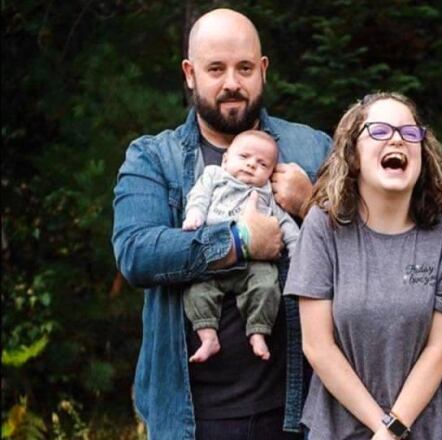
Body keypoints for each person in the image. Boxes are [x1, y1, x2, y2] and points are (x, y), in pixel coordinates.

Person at [112, 8, 331, 439]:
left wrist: (310, 207)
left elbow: (367, 247)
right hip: (190, 417)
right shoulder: (154, 158)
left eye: (244, 67)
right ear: (190, 74)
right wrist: (240, 240)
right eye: (216, 69)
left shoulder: (310, 148)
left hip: (294, 410)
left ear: (263, 70)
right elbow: (137, 252)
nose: (232, 82)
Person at [283, 92, 442, 439]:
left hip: (427, 429)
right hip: (337, 430)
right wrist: (382, 428)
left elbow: (441, 349)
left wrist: (394, 427)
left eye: (409, 132)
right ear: (352, 153)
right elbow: (317, 345)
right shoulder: (322, 225)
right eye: (381, 131)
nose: (398, 138)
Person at [183, 130, 299, 363]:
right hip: (213, 257)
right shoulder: (214, 175)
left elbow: (285, 223)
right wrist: (195, 215)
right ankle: (207, 337)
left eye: (262, 163)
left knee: (267, 286)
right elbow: (199, 196)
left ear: (270, 174)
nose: (251, 165)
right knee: (196, 290)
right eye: (244, 156)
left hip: (255, 264)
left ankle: (258, 331)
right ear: (226, 159)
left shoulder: (266, 193)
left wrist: (297, 251)